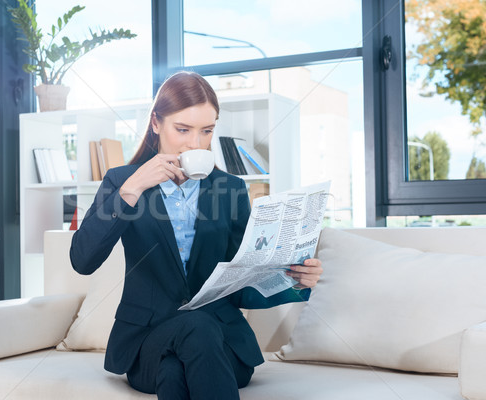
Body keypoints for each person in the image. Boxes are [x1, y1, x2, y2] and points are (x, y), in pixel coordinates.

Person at [70, 71, 323, 400]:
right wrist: (132, 190)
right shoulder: (123, 182)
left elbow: (242, 281)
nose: (195, 143)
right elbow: (82, 260)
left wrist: (294, 279)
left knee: (176, 370)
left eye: (207, 131)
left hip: (221, 340)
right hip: (148, 340)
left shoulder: (229, 188)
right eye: (183, 129)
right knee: (191, 335)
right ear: (156, 123)